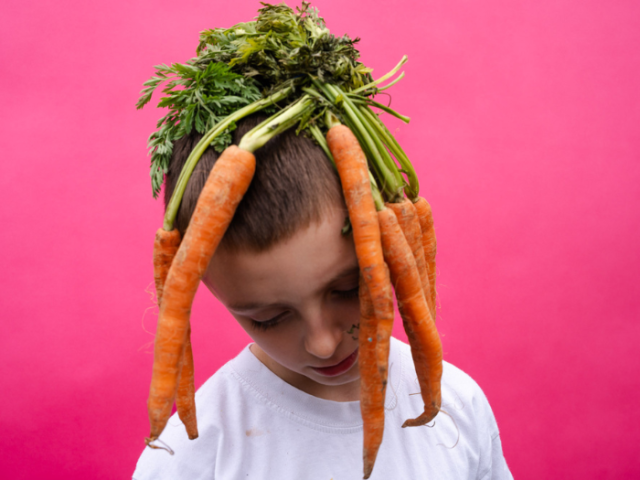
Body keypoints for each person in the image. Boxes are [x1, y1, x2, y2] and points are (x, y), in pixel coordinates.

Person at [132, 115, 513, 479]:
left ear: (389, 243)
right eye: (269, 318)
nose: (323, 344)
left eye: (348, 290)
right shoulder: (191, 456)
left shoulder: (459, 406)